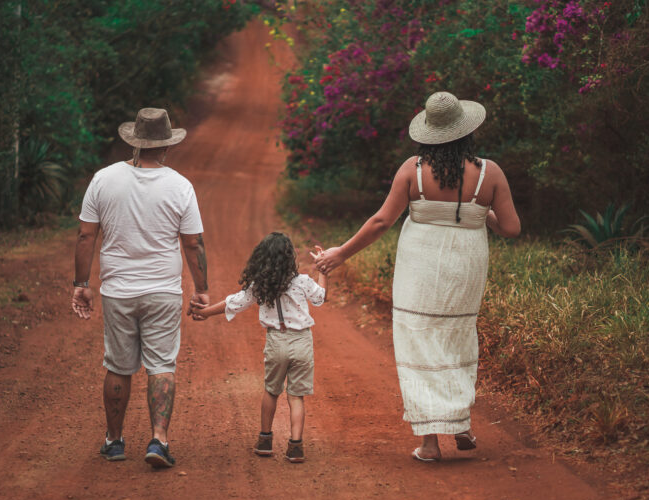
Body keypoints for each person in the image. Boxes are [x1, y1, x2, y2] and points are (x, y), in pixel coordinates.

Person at [314, 92, 520, 461]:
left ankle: (429, 442)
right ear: (467, 130)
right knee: (457, 340)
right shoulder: (491, 172)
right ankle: (460, 423)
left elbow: (381, 221)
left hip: (420, 273)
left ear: (428, 133)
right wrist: (478, 212)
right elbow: (511, 228)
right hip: (465, 272)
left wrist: (340, 253)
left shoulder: (413, 169)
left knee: (419, 344)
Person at [71, 107, 209, 469]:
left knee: (118, 366)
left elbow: (86, 235)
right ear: (166, 146)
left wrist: (82, 284)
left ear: (133, 141)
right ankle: (159, 441)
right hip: (163, 290)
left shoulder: (103, 179)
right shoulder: (180, 186)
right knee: (161, 365)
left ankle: (114, 442)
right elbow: (193, 244)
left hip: (118, 290)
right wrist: (201, 289)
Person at [192, 232, 327, 463]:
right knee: (296, 397)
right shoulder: (303, 281)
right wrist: (323, 271)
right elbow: (320, 298)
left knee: (271, 391)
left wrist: (204, 313)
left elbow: (234, 302)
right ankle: (295, 446)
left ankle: (265, 440)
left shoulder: (259, 286)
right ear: (289, 258)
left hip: (276, 341)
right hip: (302, 341)